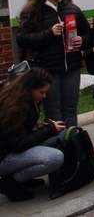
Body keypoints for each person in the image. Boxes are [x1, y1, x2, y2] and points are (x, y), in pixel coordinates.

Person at [17, 0, 93, 127]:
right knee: (53, 111)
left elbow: (88, 35)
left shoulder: (73, 9)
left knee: (71, 110)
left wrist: (82, 41)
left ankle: (72, 144)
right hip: (47, 70)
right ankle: (57, 146)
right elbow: (23, 39)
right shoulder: (33, 11)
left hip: (71, 67)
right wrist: (49, 33)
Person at [0, 68, 66, 201]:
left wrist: (51, 129)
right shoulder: (15, 107)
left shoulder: (25, 100)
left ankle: (24, 177)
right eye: (41, 92)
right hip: (4, 157)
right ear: (30, 88)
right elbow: (19, 144)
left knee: (61, 135)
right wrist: (49, 130)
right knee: (54, 158)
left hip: (12, 148)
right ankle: (10, 182)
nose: (44, 96)